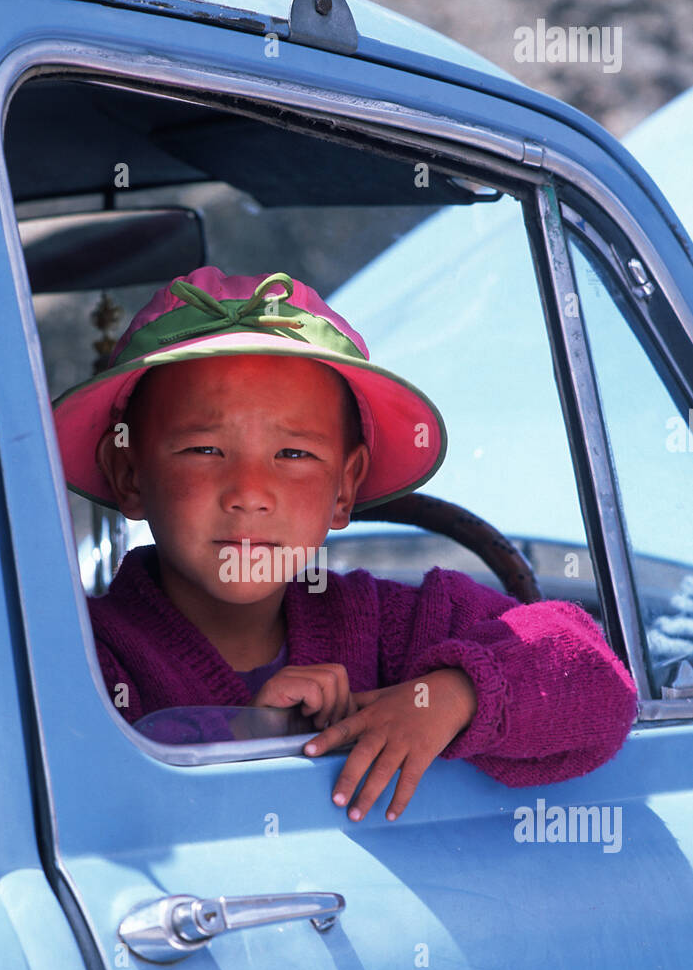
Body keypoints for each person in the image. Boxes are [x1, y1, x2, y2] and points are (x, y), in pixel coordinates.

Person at [53, 266, 637, 821]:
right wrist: (240, 736)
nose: (251, 493)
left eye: (294, 455)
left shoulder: (391, 623)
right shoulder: (79, 656)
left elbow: (598, 681)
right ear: (129, 474)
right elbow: (71, 792)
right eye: (204, 450)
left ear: (345, 488)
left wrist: (450, 696)